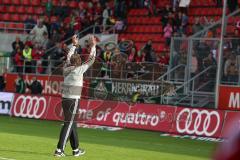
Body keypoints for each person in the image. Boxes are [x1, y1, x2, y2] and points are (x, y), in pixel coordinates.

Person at [54, 35, 97, 157]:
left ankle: (75, 149)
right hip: (74, 99)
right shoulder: (79, 69)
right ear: (78, 62)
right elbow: (91, 59)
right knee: (68, 123)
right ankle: (59, 150)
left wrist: (74, 45)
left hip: (65, 98)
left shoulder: (66, 67)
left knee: (72, 123)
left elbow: (68, 57)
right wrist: (93, 46)